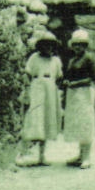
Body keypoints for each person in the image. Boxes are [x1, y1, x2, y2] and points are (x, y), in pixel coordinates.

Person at [18, 29, 62, 166]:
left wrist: (56, 90)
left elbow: (59, 77)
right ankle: (22, 153)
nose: (48, 48)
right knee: (33, 119)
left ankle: (42, 156)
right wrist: (26, 88)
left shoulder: (56, 60)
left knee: (46, 120)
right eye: (45, 45)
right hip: (36, 89)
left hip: (50, 91)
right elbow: (27, 73)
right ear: (40, 46)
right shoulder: (34, 58)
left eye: (50, 45)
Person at [61, 29, 95, 167]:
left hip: (85, 93)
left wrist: (75, 83)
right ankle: (80, 155)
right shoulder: (72, 60)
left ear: (85, 46)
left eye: (81, 45)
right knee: (76, 123)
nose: (77, 47)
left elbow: (93, 79)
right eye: (75, 44)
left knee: (85, 122)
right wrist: (66, 81)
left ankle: (87, 157)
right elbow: (69, 76)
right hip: (73, 94)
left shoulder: (89, 59)